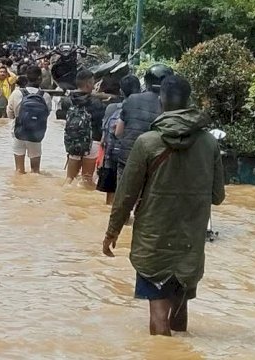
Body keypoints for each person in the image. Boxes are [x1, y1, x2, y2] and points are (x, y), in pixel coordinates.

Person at [103, 75, 225, 337]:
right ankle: (180, 351)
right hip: (189, 241)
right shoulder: (209, 143)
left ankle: (162, 352)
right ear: (189, 101)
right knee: (180, 309)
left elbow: (126, 195)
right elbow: (217, 196)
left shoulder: (147, 142)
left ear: (161, 101)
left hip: (153, 241)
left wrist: (112, 232)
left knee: (158, 313)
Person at [114, 64, 174, 186]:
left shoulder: (131, 99)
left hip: (127, 159)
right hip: (155, 163)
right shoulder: (172, 106)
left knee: (122, 196)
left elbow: (118, 133)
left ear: (146, 81)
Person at [98, 74, 142, 204]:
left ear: (121, 91)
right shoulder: (142, 111)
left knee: (109, 201)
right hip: (131, 157)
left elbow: (103, 139)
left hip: (111, 157)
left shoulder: (111, 108)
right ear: (139, 90)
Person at [64, 69, 107, 186]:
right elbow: (101, 122)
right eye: (93, 83)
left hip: (74, 141)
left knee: (69, 179)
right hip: (92, 143)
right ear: (88, 84)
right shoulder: (96, 103)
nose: (94, 86)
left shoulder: (68, 100)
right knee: (86, 180)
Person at [7, 65, 52, 174]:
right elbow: (47, 114)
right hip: (36, 135)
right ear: (40, 78)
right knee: (35, 171)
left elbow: (10, 114)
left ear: (26, 77)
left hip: (18, 133)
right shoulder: (45, 96)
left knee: (19, 171)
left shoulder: (16, 93)